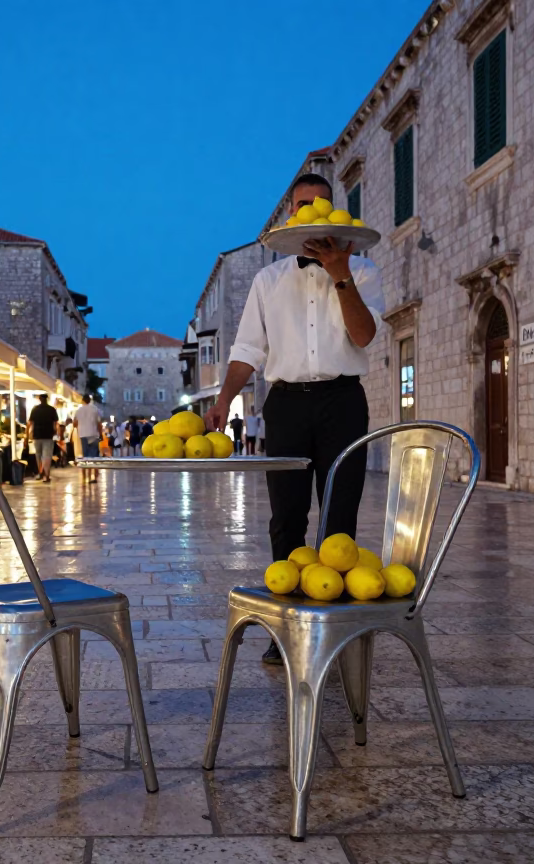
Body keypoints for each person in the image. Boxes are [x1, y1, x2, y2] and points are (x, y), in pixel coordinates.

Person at [206, 172, 385, 667]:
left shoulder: (364, 271)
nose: (312, 211)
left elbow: (365, 335)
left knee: (339, 512)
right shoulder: (268, 281)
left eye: (321, 203)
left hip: (343, 401)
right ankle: (285, 624)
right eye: (304, 203)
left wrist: (339, 273)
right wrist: (222, 400)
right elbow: (247, 350)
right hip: (284, 403)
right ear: (292, 211)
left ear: (332, 210)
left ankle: (333, 619)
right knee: (286, 517)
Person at [27, 393, 59, 482]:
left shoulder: (35, 409)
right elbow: (55, 424)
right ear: (46, 399)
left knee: (38, 455)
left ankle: (41, 473)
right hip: (48, 436)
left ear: (39, 399)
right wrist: (55, 433)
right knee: (47, 456)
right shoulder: (52, 410)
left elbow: (30, 423)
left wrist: (28, 435)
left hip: (37, 435)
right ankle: (46, 475)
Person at [74, 394, 102, 483]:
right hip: (93, 434)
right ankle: (93, 476)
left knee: (85, 456)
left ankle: (85, 476)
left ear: (82, 401)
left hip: (83, 434)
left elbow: (75, 423)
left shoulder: (78, 410)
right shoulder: (95, 409)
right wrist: (100, 434)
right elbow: (99, 423)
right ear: (90, 400)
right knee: (93, 456)